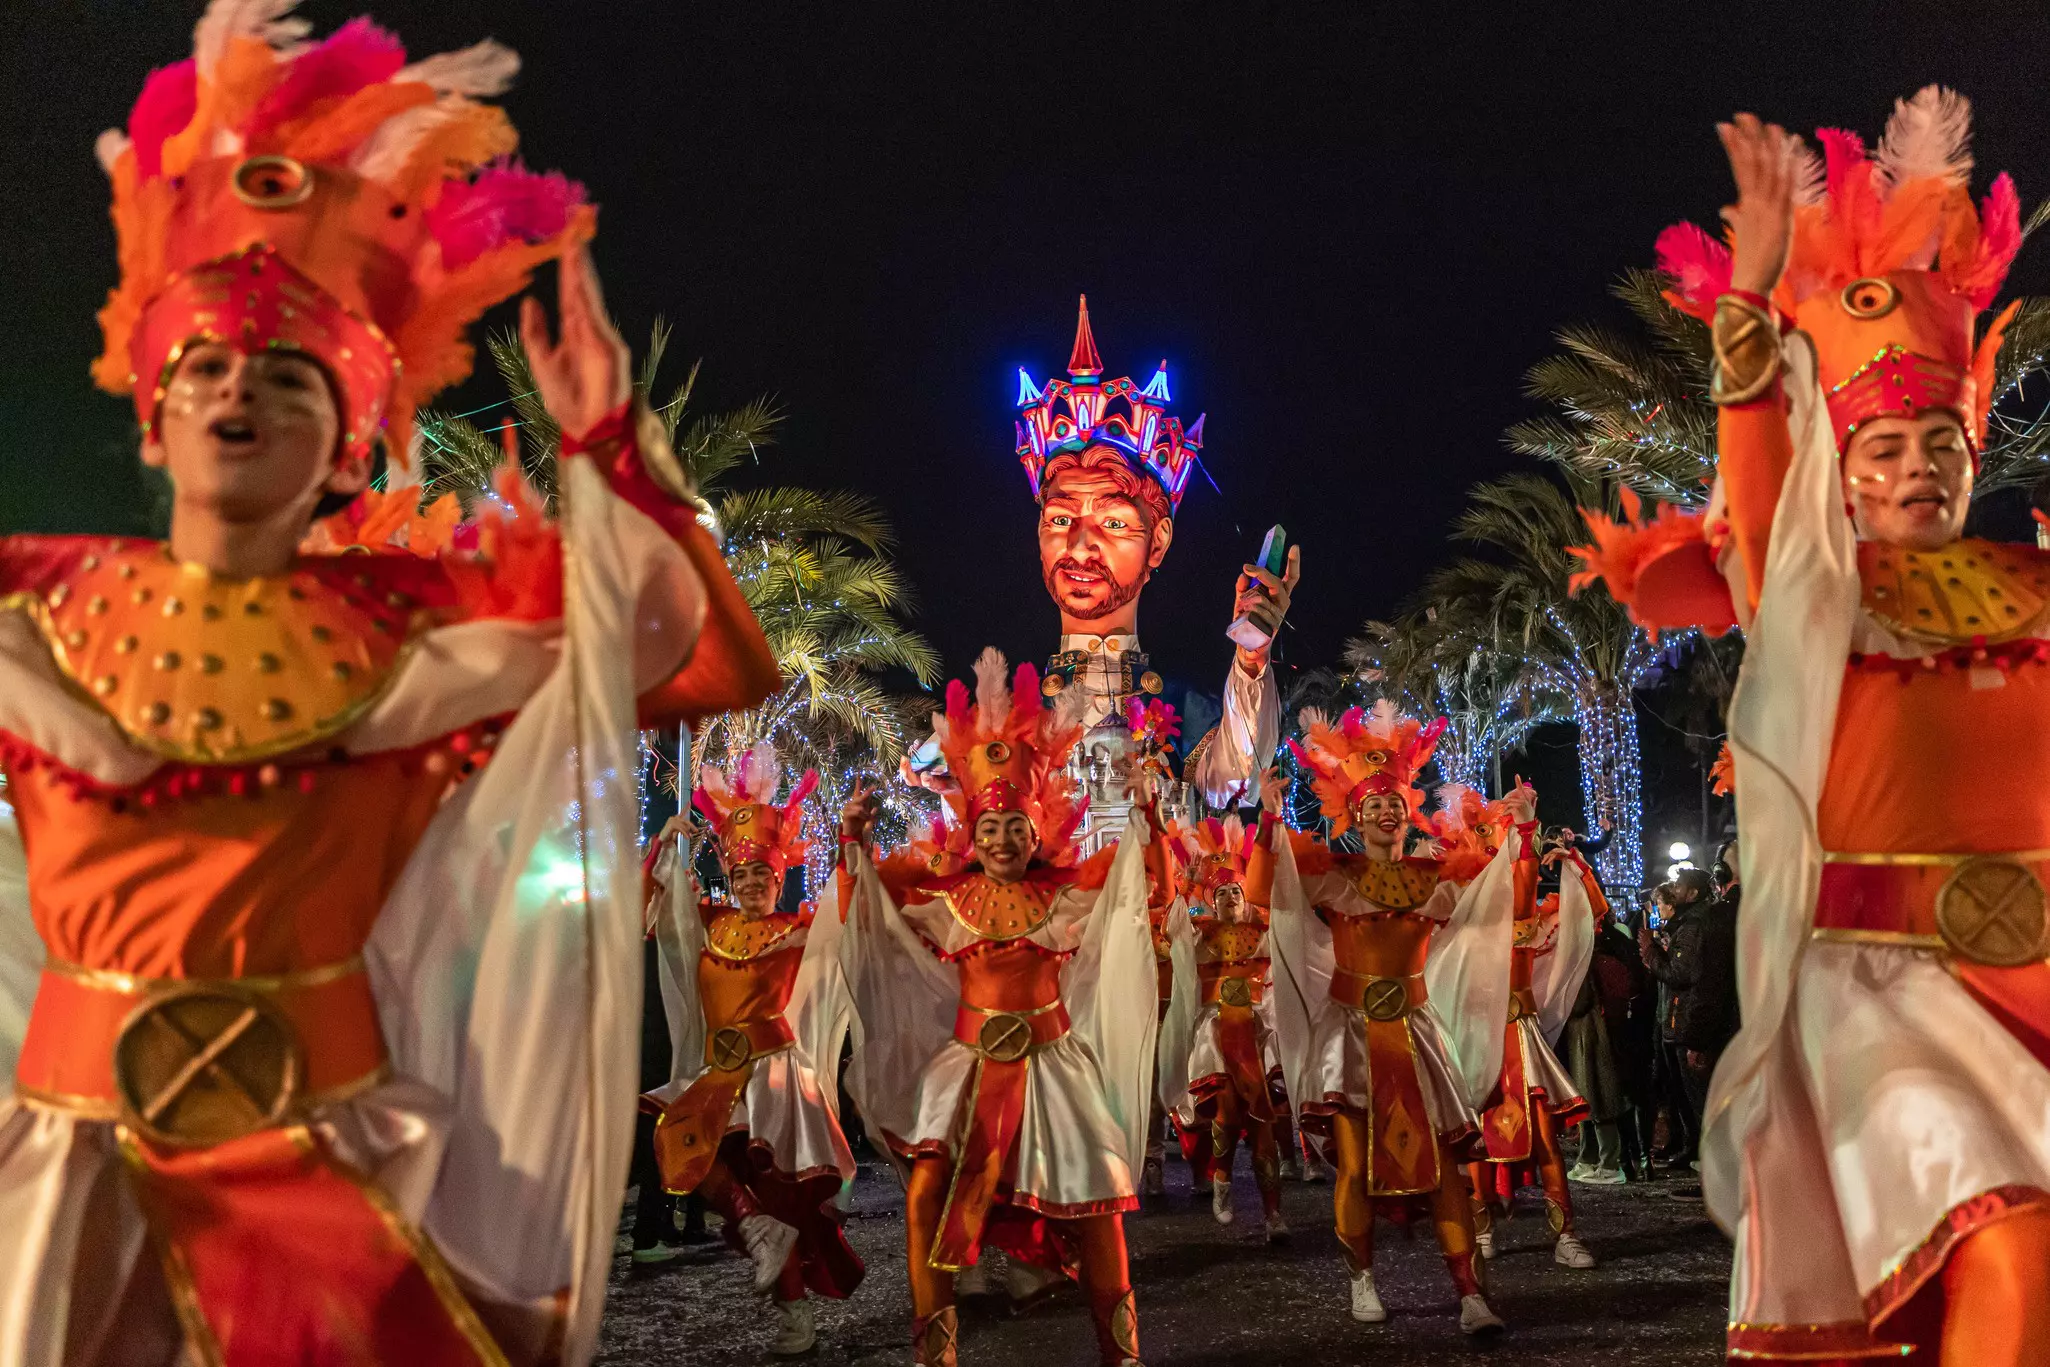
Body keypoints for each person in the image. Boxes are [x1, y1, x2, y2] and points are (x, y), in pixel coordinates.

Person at [0, 6, 780, 1363]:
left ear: (351, 440)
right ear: (155, 406)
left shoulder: (422, 614)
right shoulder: (35, 591)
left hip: (328, 1182)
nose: (241, 393)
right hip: (67, 1190)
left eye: (290, 377)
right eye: (207, 368)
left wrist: (611, 448)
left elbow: (709, 664)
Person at [1576, 89, 2050, 1362]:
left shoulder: (2038, 584)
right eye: (1879, 443)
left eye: (1937, 439)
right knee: (2009, 1237)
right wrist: (1748, 309)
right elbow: (1760, 485)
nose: (1911, 466)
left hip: (2038, 983)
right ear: (1836, 469)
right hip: (1878, 987)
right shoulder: (1813, 600)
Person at [838, 651, 1162, 1367]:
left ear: (1037, 828)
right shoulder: (948, 901)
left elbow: (1142, 891)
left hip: (1054, 1069)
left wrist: (1146, 814)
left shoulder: (1064, 896)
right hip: (966, 1073)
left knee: (1096, 1208)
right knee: (927, 1195)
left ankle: (1123, 1355)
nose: (1003, 839)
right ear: (971, 833)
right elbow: (864, 914)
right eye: (989, 827)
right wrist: (851, 841)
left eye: (1015, 825)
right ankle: (936, 1356)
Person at [1253, 704, 1523, 1335]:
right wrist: (1268, 816)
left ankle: (1469, 1294)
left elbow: (1502, 897)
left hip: (1417, 1034)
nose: (1385, 810)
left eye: (1395, 801)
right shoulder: (1335, 875)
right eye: (1372, 803)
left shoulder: (1436, 877)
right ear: (1354, 814)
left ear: (1409, 809)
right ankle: (1362, 1280)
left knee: (1444, 1170)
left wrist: (1521, 833)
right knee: (1353, 1163)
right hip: (1348, 1037)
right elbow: (1267, 890)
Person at [1015, 299, 1299, 832]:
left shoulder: (1182, 709)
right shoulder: (1007, 715)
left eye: (1114, 523)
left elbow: (1236, 776)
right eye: (1059, 519)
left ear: (1159, 542)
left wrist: (1253, 654)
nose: (1078, 544)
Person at [641, 747, 863, 1356]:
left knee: (783, 1201)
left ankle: (794, 1314)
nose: (751, 884)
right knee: (676, 1140)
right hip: (719, 1073)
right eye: (741, 876)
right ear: (730, 878)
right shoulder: (708, 926)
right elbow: (651, 914)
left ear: (778, 876)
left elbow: (848, 920)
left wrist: (849, 840)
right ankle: (754, 1224)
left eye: (761, 876)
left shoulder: (797, 932)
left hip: (776, 1080)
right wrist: (663, 846)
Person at [1467, 819, 1600, 1270]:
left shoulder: (1530, 924)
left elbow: (1591, 914)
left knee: (1546, 1140)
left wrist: (1575, 865)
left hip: (1524, 1042)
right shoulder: (1460, 927)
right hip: (1478, 1042)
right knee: (1478, 1139)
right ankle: (1481, 1226)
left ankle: (1565, 1234)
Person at [1159, 816, 1288, 1240]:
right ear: (1211, 901)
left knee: (1264, 1124)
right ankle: (1223, 1183)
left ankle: (1273, 1214)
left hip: (1256, 1034)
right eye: (1223, 893)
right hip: (1216, 1034)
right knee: (1230, 1111)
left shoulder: (1263, 933)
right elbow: (1169, 931)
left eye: (1236, 890)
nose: (1231, 897)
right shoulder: (1200, 935)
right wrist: (1183, 887)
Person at [1639, 868, 1711, 1172]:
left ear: (1692, 894)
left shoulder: (1693, 926)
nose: (1675, 889)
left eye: (1680, 885)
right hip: (1674, 1018)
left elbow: (1680, 974)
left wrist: (1651, 953)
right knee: (1679, 1092)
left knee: (1692, 1094)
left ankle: (1701, 1154)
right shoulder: (1686, 923)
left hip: (1682, 1019)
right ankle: (1690, 1147)